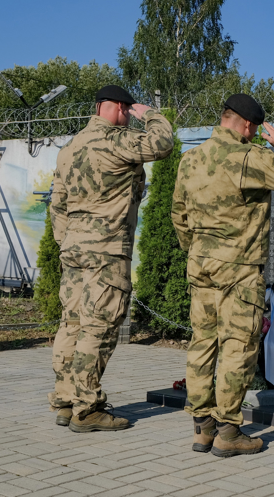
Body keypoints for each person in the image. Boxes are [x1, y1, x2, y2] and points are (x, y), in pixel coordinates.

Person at [172, 93, 274, 457]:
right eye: (254, 131)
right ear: (249, 126)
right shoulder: (249, 156)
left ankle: (201, 427)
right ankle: (228, 432)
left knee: (202, 343)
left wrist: (197, 249)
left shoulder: (190, 159)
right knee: (238, 346)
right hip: (238, 270)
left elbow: (179, 215)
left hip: (200, 265)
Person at [48, 85, 174, 432]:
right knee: (98, 328)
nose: (128, 115)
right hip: (107, 252)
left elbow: (56, 203)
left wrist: (68, 241)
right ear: (118, 107)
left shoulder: (69, 148)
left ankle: (64, 400)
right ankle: (87, 410)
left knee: (71, 323)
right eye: (127, 109)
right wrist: (149, 113)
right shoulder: (116, 140)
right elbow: (162, 144)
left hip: (74, 250)